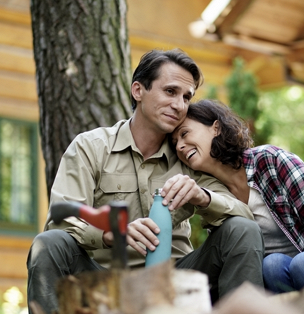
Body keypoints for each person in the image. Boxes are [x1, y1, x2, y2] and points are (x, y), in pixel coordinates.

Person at [27, 49, 264, 314]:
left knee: (242, 230)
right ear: (138, 90)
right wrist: (110, 234)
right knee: (48, 244)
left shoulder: (187, 153)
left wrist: (202, 197)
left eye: (187, 97)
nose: (180, 105)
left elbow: (244, 215)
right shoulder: (90, 147)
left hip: (175, 281)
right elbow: (61, 221)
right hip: (103, 282)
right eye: (170, 92)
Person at [171, 99, 304, 301]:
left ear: (215, 128)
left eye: (184, 133)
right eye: (175, 143)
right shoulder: (214, 198)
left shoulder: (270, 160)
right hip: (295, 269)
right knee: (270, 266)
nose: (180, 146)